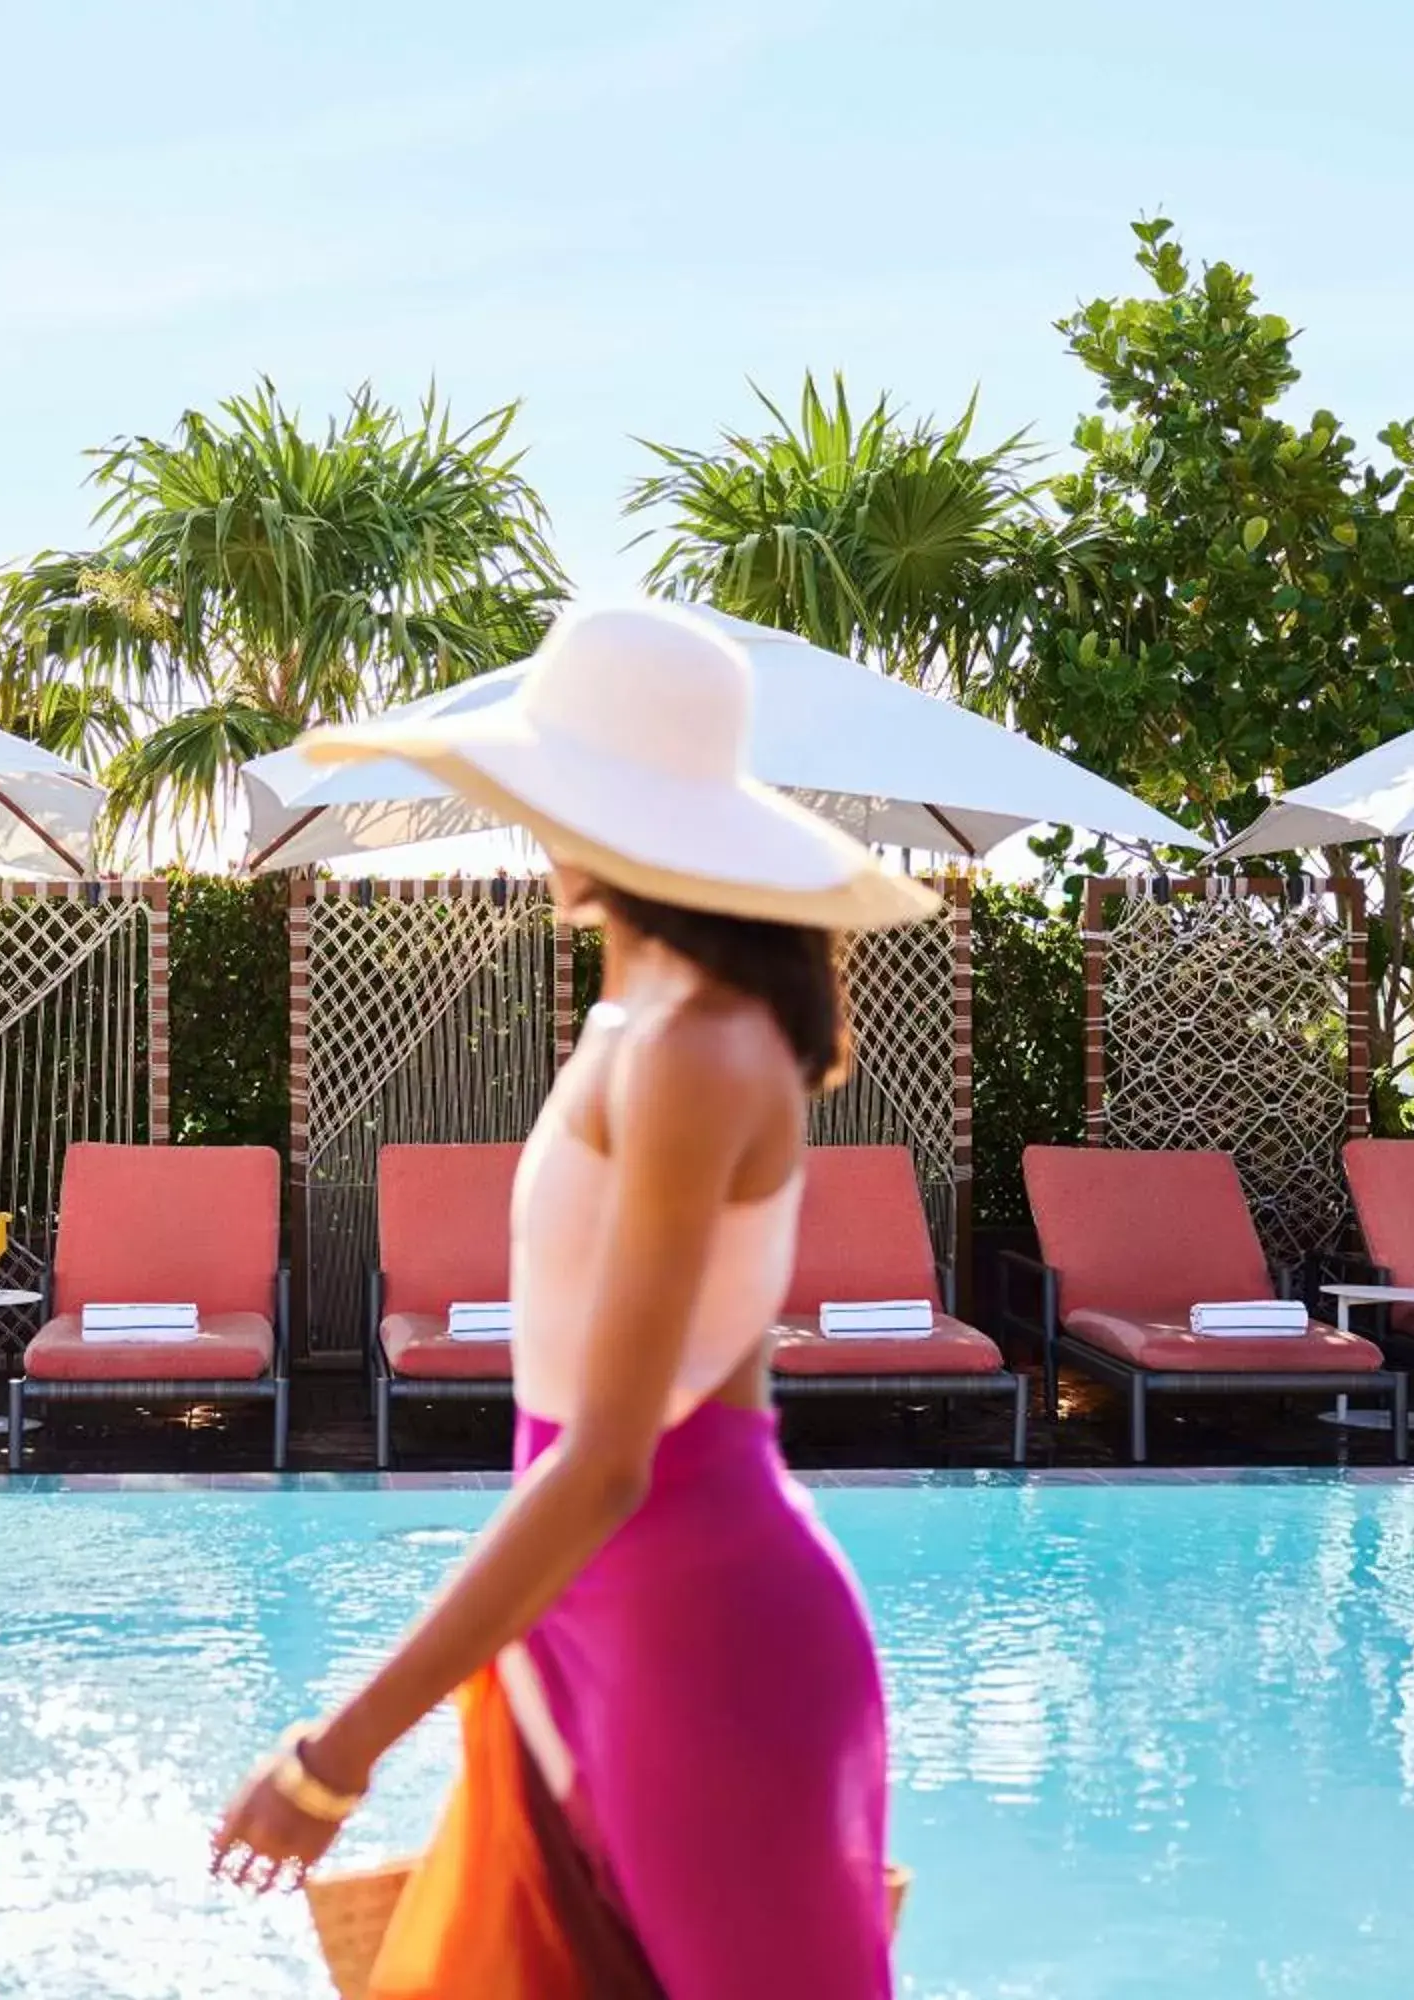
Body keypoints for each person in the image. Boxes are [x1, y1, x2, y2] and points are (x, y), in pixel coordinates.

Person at [209, 603, 935, 1997]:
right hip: (597, 1613)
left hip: (697, 1632)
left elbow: (609, 1464)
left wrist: (336, 1754)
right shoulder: (635, 1022)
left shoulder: (695, 1050)